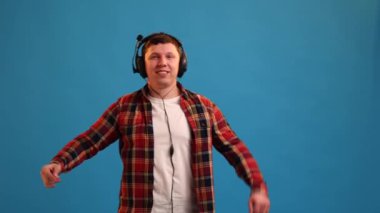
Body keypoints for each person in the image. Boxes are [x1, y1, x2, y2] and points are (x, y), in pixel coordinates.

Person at [40, 32, 270, 213]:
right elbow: (90, 140)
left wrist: (257, 186)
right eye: (154, 57)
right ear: (142, 65)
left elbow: (234, 148)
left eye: (170, 56)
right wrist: (60, 162)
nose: (163, 62)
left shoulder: (204, 107)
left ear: (181, 63)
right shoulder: (125, 107)